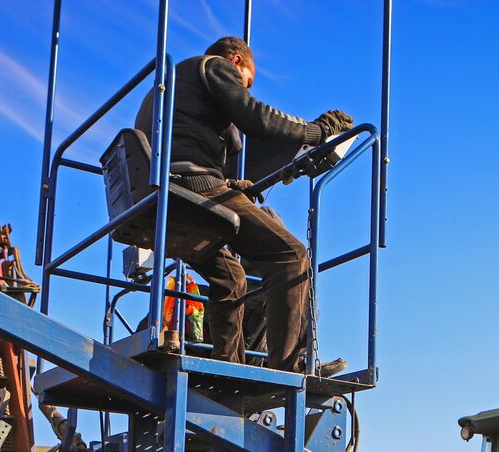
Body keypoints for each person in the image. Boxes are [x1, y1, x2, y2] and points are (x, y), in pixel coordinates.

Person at [135, 36, 351, 374]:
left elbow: (204, 140)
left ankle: (229, 369)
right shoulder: (213, 66)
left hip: (161, 197)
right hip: (194, 187)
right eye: (246, 82)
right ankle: (289, 368)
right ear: (237, 62)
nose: (243, 88)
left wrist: (230, 181)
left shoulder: (169, 87)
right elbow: (253, 116)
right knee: (291, 257)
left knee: (231, 278)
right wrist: (316, 131)